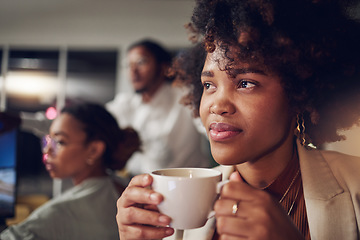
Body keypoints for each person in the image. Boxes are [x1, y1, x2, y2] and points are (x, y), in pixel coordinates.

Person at [115, 0, 360, 239]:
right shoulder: (182, 200)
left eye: (245, 83)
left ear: (300, 93)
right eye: (208, 85)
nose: (217, 105)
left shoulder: (355, 184)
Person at [1, 102, 141, 240]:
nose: (47, 151)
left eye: (60, 142)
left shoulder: (61, 212)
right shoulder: (121, 187)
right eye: (49, 140)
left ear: (94, 150)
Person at [106, 39, 211, 177]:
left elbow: (211, 128)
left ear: (164, 68)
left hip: (190, 186)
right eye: (128, 65)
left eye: (141, 62)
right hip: (141, 187)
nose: (133, 71)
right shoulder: (126, 103)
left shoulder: (186, 96)